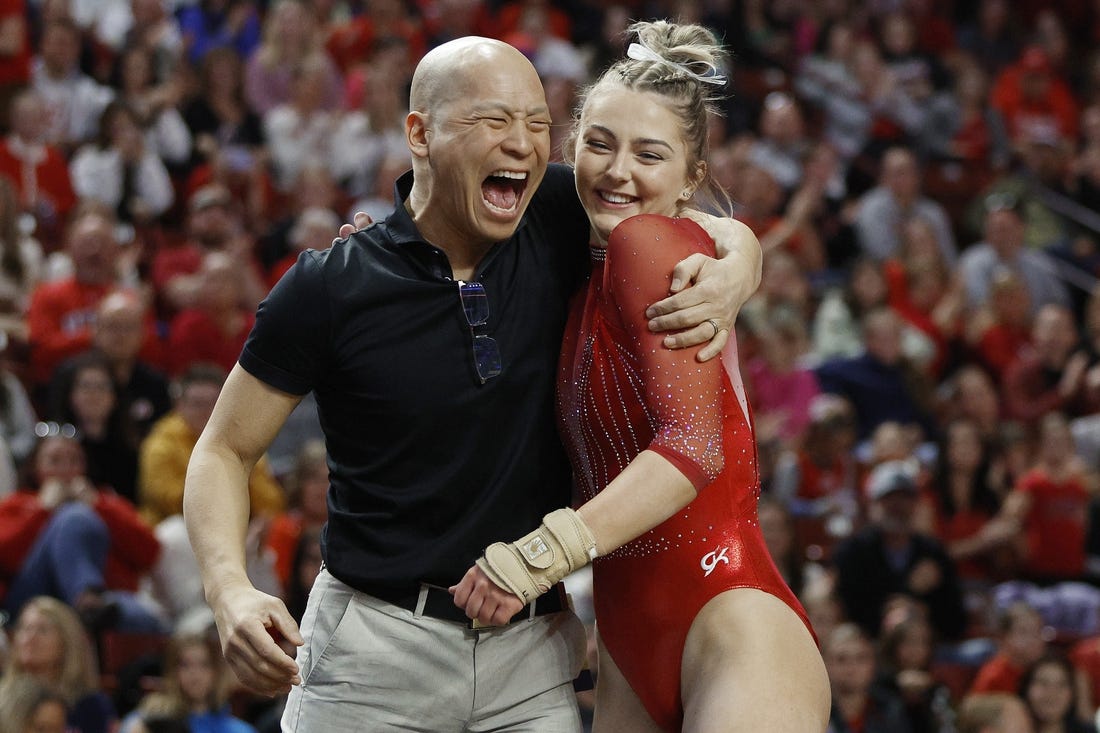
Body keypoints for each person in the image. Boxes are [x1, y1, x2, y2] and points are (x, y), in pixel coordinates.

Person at [183, 31, 761, 733]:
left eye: (538, 124)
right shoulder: (330, 285)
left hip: (533, 655)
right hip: (371, 652)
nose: (522, 142)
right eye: (495, 120)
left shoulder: (557, 211)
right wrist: (229, 591)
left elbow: (670, 206)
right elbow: (222, 449)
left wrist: (739, 262)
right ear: (420, 133)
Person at [449, 21, 829, 732]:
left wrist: (539, 556)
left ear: (692, 178)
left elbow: (693, 446)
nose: (618, 170)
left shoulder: (646, 242)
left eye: (648, 154)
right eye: (600, 143)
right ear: (572, 149)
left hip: (732, 618)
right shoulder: (577, 264)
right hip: (630, 635)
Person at [0, 596, 116, 733]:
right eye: (25, 628)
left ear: (66, 642)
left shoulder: (90, 705)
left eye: (42, 630)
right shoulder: (2, 696)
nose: (30, 638)